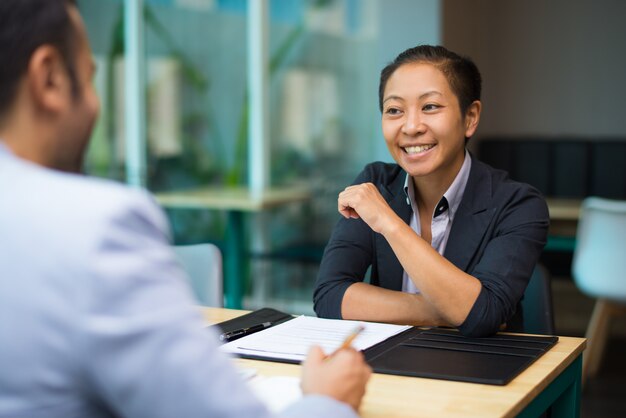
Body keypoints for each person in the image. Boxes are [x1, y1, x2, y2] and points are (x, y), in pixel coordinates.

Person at [0, 1, 371, 417]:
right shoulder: (95, 228)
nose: (93, 104)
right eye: (89, 80)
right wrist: (325, 401)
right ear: (49, 77)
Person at [313, 45, 549, 337]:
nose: (411, 127)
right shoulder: (377, 184)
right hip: (390, 364)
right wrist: (449, 312)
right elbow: (330, 297)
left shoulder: (518, 205)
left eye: (430, 107)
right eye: (395, 110)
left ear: (470, 117)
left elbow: (484, 313)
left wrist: (390, 224)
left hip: (480, 372)